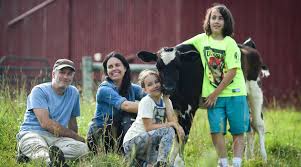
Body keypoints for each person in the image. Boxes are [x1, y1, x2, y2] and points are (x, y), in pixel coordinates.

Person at [181, 4, 250, 167]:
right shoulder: (201, 39)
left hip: (234, 93)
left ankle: (237, 163)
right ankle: (224, 163)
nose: (216, 21)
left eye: (221, 18)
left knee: (238, 130)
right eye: (213, 17)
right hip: (213, 97)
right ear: (208, 21)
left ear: (226, 22)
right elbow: (180, 47)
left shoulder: (230, 43)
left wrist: (214, 94)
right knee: (216, 131)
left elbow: (232, 72)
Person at [16, 59, 89, 167]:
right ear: (53, 74)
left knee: (83, 149)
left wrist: (75, 140)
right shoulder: (39, 91)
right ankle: (50, 162)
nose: (65, 76)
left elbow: (72, 121)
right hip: (34, 133)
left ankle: (34, 157)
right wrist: (73, 135)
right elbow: (45, 123)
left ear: (72, 77)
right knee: (36, 145)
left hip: (57, 138)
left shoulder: (74, 93)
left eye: (69, 74)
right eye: (62, 72)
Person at [123, 70, 185, 167]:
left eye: (157, 82)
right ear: (145, 90)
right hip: (133, 141)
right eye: (150, 84)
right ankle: (162, 162)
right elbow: (148, 127)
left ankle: (139, 163)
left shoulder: (165, 101)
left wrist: (166, 99)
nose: (155, 85)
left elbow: (172, 120)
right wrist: (173, 125)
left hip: (150, 143)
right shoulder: (146, 101)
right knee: (168, 130)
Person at [87, 52, 145, 154]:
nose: (114, 69)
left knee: (133, 119)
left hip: (118, 132)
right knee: (128, 118)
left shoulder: (131, 88)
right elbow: (126, 106)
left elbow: (150, 95)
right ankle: (128, 154)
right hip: (100, 135)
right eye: (110, 67)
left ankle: (135, 154)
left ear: (125, 68)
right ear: (106, 72)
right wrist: (152, 107)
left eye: (117, 65)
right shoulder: (104, 90)